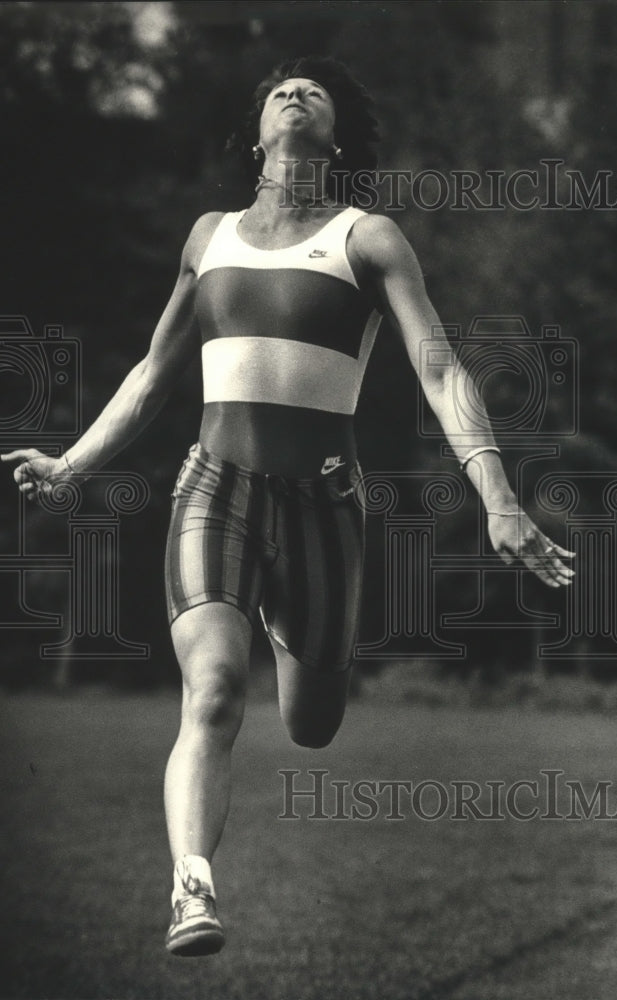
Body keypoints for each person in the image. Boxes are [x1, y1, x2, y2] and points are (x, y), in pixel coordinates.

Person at [1, 56, 575, 958]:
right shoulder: (209, 236)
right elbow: (154, 375)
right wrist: (71, 465)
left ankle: (284, 619)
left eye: (313, 90)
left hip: (323, 508)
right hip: (214, 489)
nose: (294, 94)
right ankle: (193, 887)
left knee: (312, 726)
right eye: (277, 91)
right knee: (215, 691)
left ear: (335, 132)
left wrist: (497, 496)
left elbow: (439, 370)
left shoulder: (368, 237)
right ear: (257, 131)